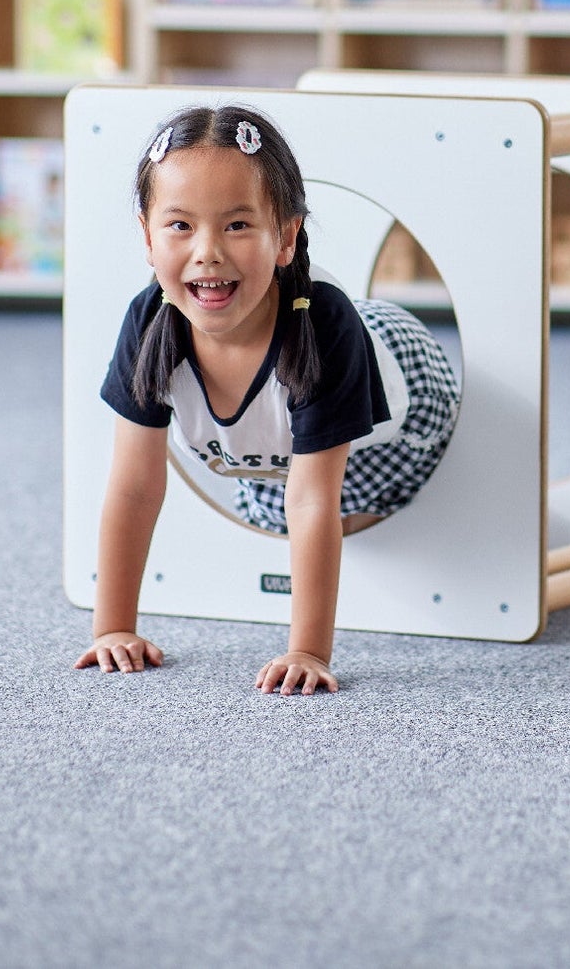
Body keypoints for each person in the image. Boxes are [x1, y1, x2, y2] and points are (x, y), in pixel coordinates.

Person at [73, 104, 460, 694]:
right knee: (270, 507)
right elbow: (134, 485)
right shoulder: (150, 319)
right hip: (267, 456)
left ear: (285, 236)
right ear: (147, 238)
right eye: (180, 226)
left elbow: (310, 502)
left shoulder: (325, 323)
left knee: (364, 523)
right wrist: (113, 629)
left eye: (236, 226)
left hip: (403, 407)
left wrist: (307, 650)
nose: (207, 251)